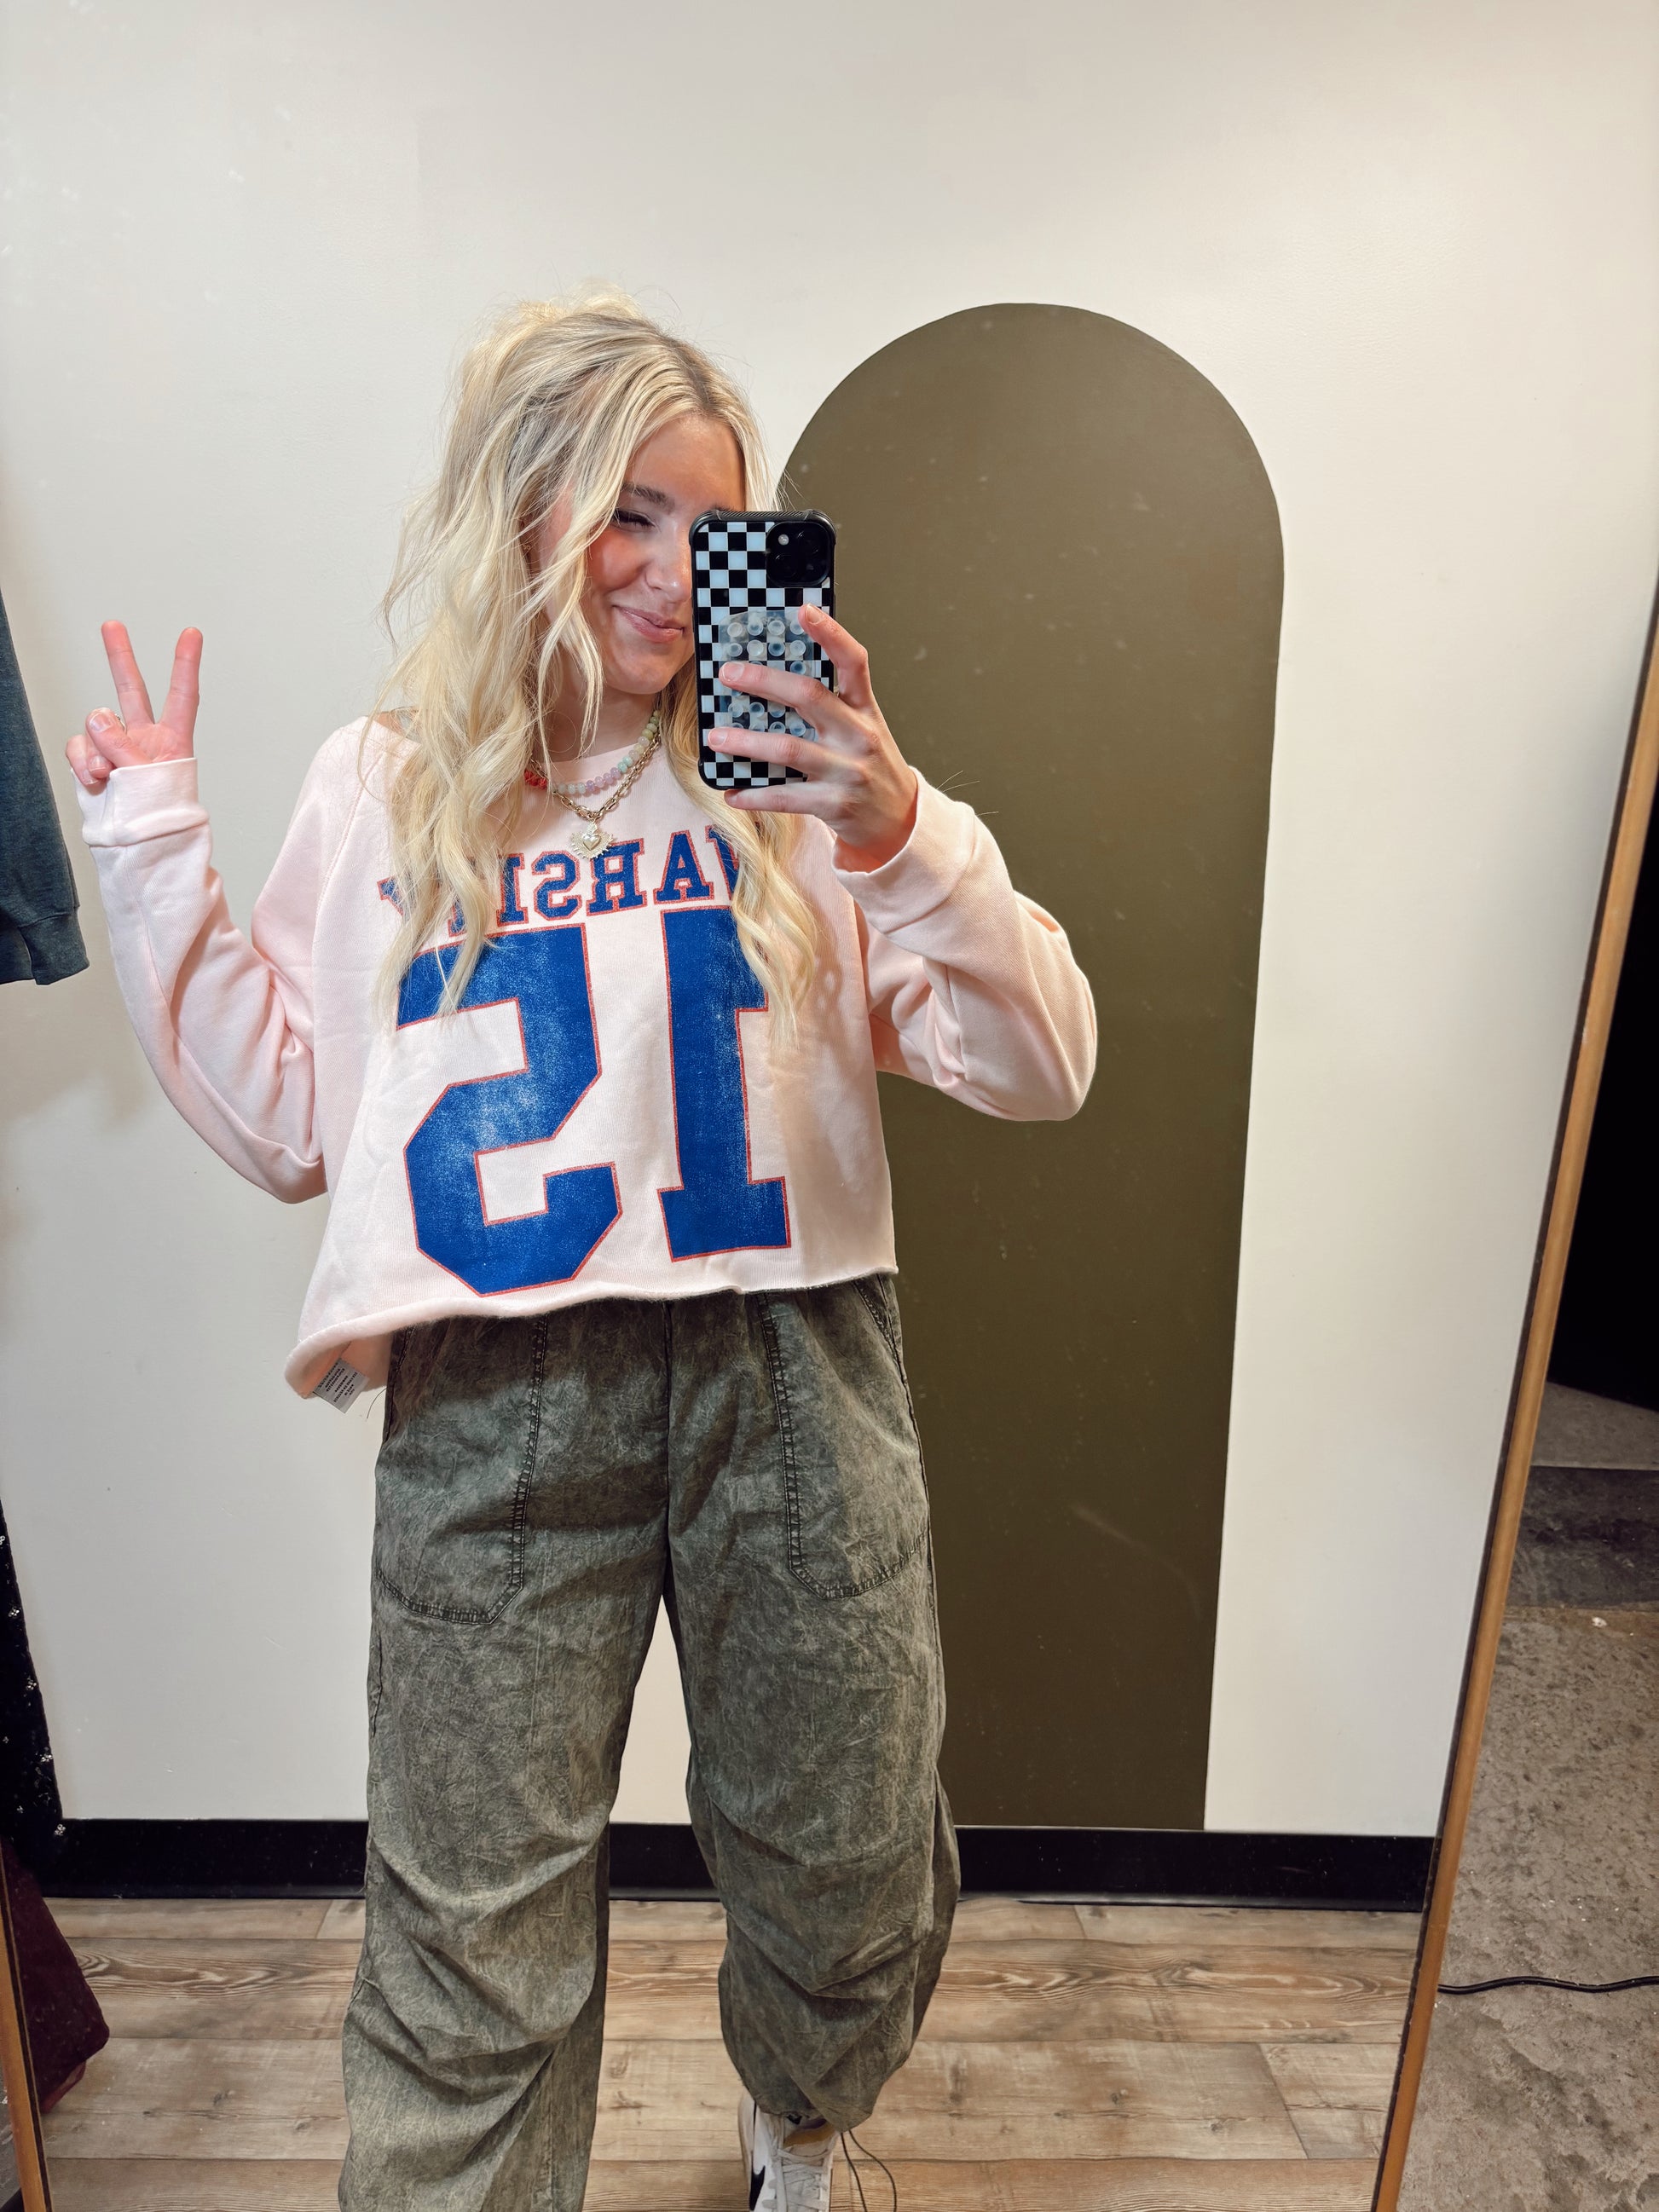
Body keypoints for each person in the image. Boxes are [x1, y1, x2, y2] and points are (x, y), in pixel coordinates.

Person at [67, 292, 1096, 2212]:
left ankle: (802, 2119)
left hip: (791, 1369)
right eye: (627, 511)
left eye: (712, 523)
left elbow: (1043, 1061)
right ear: (519, 508)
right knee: (470, 1925)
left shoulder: (798, 787)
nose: (670, 569)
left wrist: (898, 822)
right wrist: (148, 853)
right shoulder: (386, 786)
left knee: (851, 1858)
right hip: (496, 1399)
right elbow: (293, 1119)